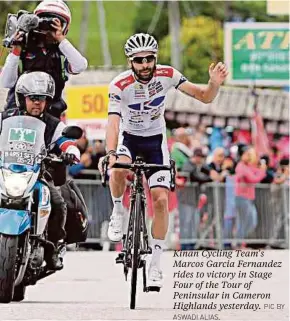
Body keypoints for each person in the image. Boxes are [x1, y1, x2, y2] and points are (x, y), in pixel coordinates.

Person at [99, 33, 228, 288]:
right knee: (117, 168)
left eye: (149, 59)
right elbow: (113, 123)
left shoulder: (167, 74)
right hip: (129, 139)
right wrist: (111, 152)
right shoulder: (119, 84)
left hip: (155, 143)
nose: (145, 64)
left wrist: (214, 84)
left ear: (155, 59)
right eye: (139, 60)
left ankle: (156, 263)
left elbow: (204, 96)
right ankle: (118, 211)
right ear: (130, 62)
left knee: (160, 200)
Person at [1, 71, 81, 270]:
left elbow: (65, 141)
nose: (37, 103)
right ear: (22, 98)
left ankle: (52, 249)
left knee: (57, 202)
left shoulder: (52, 124)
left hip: (38, 174)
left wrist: (71, 151)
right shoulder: (5, 118)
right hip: (7, 171)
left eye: (42, 99)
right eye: (33, 98)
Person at [0, 0, 88, 118]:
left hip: (49, 117)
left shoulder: (62, 53)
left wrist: (61, 39)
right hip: (18, 115)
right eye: (43, 22)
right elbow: (6, 82)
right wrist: (16, 51)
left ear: (65, 28)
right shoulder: (23, 47)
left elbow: (80, 66)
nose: (48, 29)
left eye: (54, 24)